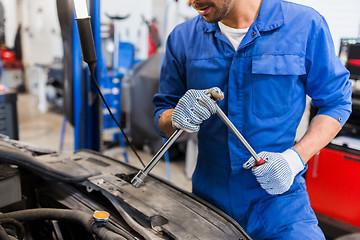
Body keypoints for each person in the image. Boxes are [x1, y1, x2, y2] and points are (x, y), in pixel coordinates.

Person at [153, 0, 352, 239]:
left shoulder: (305, 25)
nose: (190, 2)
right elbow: (163, 113)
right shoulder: (183, 38)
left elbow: (336, 102)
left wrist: (293, 160)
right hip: (208, 201)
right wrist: (175, 117)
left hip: (279, 203)